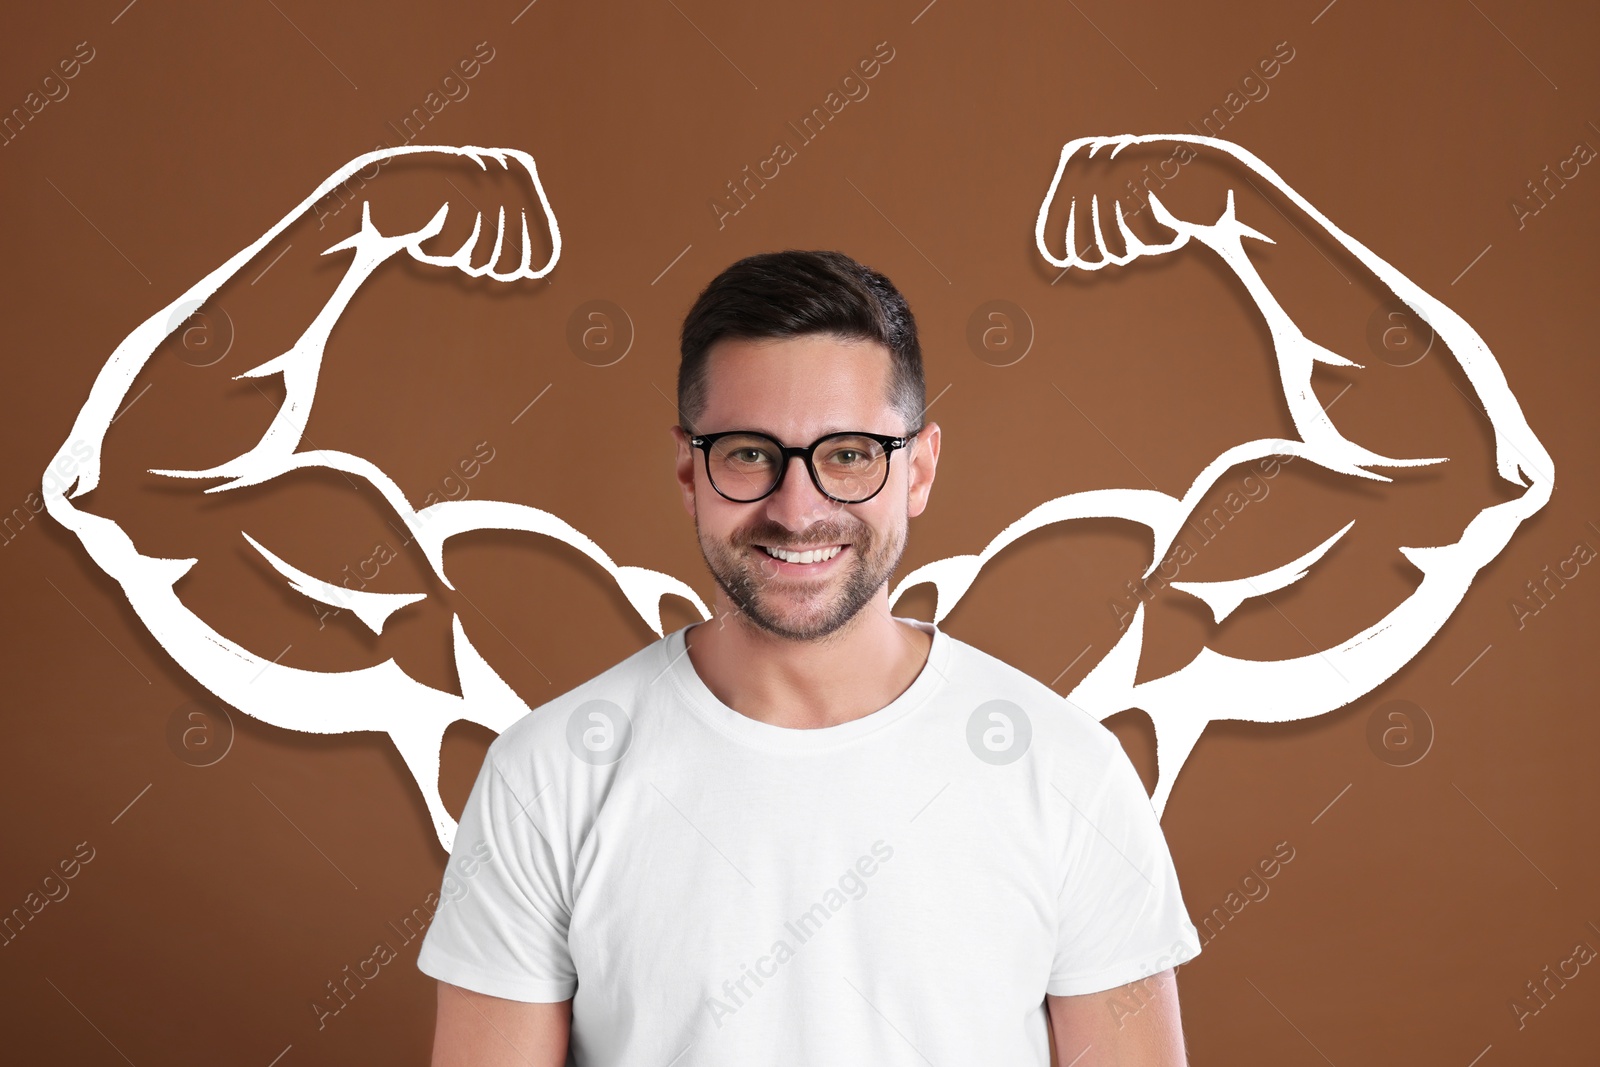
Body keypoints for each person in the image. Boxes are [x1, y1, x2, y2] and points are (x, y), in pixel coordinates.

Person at [417, 249, 1202, 1066]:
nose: (798, 509)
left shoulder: (1070, 772)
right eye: (751, 453)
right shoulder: (545, 777)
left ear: (920, 468)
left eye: (851, 454)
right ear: (690, 469)